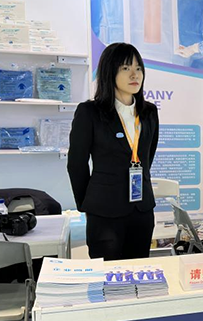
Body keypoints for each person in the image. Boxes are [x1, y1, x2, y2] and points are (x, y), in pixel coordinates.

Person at [67, 42, 159, 260]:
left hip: (142, 209)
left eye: (138, 68)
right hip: (104, 210)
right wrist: (87, 203)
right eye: (126, 68)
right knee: (107, 274)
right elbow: (76, 164)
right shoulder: (90, 112)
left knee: (138, 272)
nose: (134, 74)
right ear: (110, 71)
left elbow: (147, 156)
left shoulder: (149, 112)